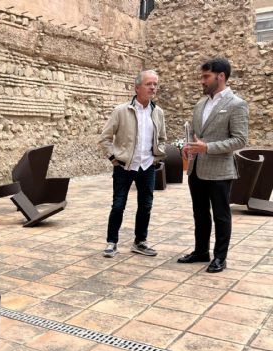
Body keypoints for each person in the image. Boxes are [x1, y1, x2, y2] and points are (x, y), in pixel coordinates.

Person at [179, 57, 249, 273]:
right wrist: (187, 145)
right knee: (199, 213)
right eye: (202, 76)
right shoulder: (201, 103)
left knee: (220, 215)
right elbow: (195, 133)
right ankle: (201, 251)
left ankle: (220, 257)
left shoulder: (236, 104)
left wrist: (207, 147)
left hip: (220, 171)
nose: (202, 81)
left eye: (206, 76)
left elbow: (240, 140)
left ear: (221, 76)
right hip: (196, 168)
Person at [99, 70, 166, 258]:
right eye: (148, 84)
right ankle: (112, 242)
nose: (153, 87)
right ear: (137, 87)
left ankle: (140, 242)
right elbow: (104, 138)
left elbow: (162, 138)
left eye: (155, 84)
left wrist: (156, 157)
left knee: (146, 206)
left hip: (147, 167)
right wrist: (113, 158)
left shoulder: (158, 112)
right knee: (118, 205)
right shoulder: (121, 111)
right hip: (124, 166)